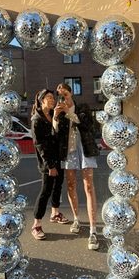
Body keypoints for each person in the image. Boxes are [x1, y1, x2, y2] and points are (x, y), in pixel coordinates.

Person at [53, 83, 100, 250]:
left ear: (71, 93)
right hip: (69, 151)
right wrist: (55, 118)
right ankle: (76, 219)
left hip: (84, 148)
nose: (63, 98)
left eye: (65, 94)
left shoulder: (83, 107)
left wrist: (68, 112)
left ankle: (93, 231)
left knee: (88, 186)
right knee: (71, 185)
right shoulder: (59, 112)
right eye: (60, 95)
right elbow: (56, 135)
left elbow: (87, 126)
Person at [31, 89, 69, 240]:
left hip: (58, 157)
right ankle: (36, 224)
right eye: (48, 97)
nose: (52, 100)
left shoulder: (54, 114)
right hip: (48, 162)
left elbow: (58, 135)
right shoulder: (37, 119)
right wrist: (50, 166)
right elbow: (39, 145)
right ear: (41, 100)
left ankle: (55, 213)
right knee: (45, 191)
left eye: (53, 97)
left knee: (58, 187)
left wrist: (59, 116)